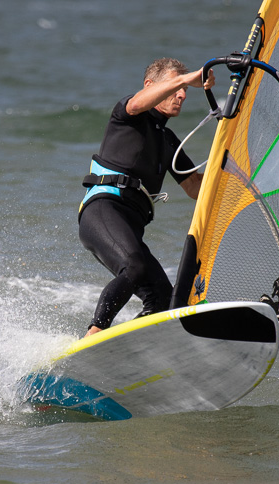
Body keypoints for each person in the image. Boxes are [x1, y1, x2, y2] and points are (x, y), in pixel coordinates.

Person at [78, 58, 215, 338]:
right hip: (104, 210)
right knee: (135, 266)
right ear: (150, 85)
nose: (182, 94)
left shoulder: (168, 140)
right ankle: (94, 333)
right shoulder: (127, 114)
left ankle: (122, 345)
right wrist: (187, 78)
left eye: (185, 90)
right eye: (175, 86)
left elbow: (195, 188)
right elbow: (139, 104)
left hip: (131, 225)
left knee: (164, 301)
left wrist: (230, 162)